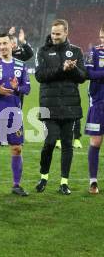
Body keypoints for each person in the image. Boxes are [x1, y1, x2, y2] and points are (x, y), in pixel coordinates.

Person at [35, 19, 87, 195]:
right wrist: (62, 69)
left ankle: (64, 182)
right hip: (49, 106)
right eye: (53, 33)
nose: (54, 36)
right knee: (49, 142)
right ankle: (43, 177)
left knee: (67, 144)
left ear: (66, 33)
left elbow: (82, 77)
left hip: (70, 106)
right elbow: (40, 76)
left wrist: (72, 69)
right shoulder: (43, 51)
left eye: (58, 33)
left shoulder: (76, 52)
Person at [0, 33, 31, 196]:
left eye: (5, 43)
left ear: (12, 45)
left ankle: (16, 185)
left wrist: (16, 88)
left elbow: (27, 88)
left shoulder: (21, 65)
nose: (2, 46)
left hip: (14, 113)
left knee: (17, 149)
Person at [84, 24, 104, 194]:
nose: (102, 41)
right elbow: (88, 74)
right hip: (98, 102)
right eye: (102, 38)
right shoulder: (94, 52)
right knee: (96, 142)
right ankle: (93, 181)